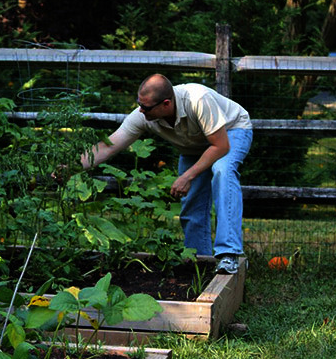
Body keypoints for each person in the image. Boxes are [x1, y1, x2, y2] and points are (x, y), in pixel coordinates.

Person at [78, 74, 253, 274]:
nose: (141, 111)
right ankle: (200, 264)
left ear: (166, 104)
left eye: (146, 107)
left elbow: (220, 146)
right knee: (192, 202)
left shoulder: (198, 100)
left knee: (222, 171)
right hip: (196, 144)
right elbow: (107, 147)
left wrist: (188, 176)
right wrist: (71, 167)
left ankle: (229, 255)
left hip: (230, 131)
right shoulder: (144, 114)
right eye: (139, 104)